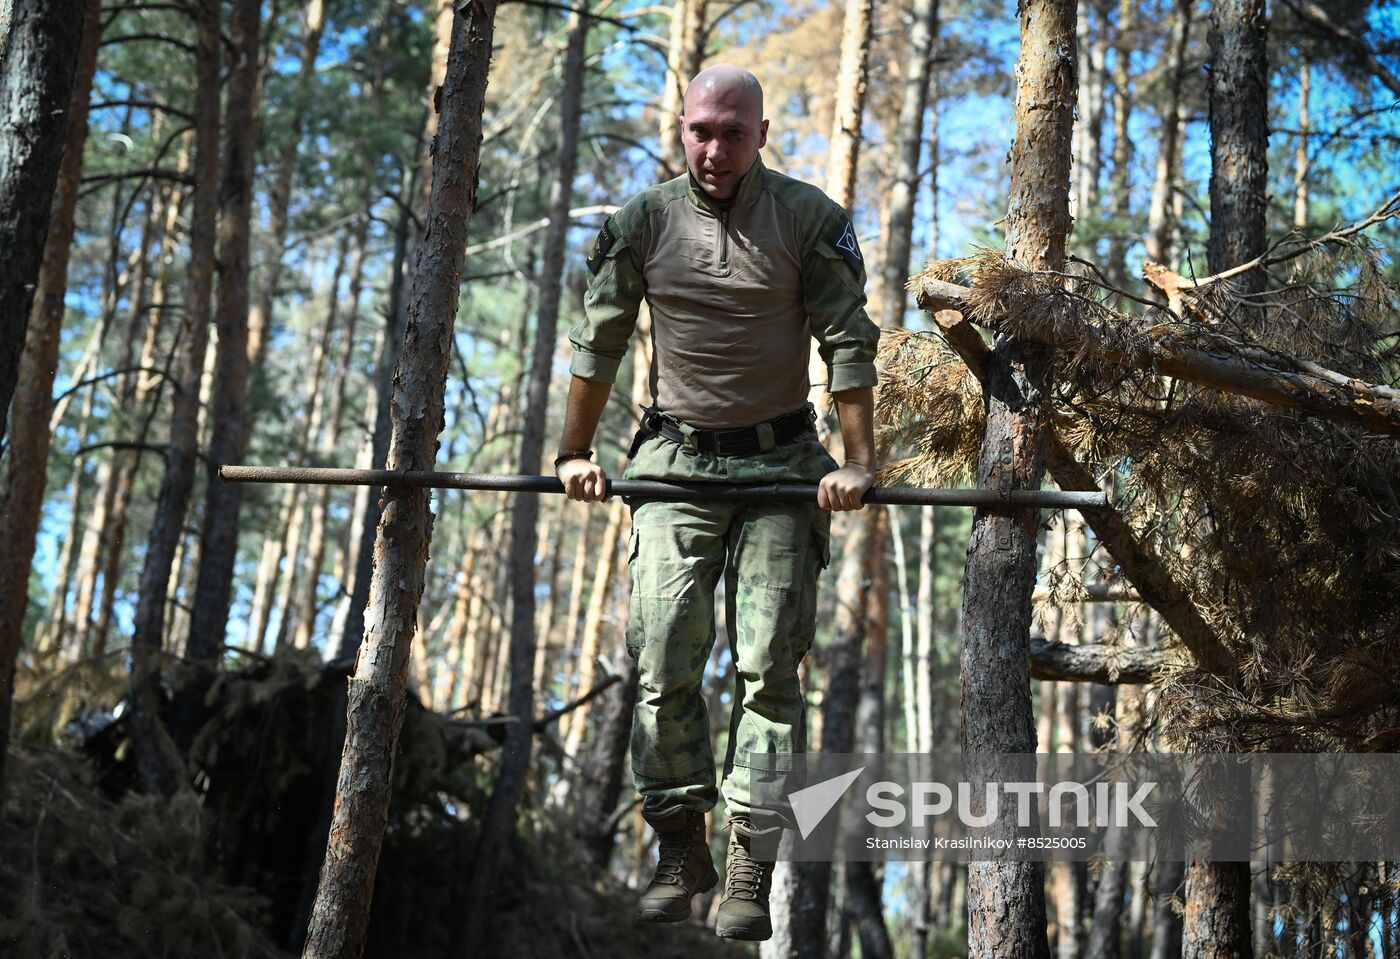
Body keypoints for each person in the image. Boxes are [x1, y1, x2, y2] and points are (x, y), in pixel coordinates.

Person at [554, 63, 879, 941]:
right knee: (662, 652)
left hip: (780, 467)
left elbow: (848, 338)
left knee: (769, 660)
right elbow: (599, 340)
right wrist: (574, 452)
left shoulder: (809, 218)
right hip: (675, 462)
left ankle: (748, 859)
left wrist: (857, 462)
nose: (715, 146)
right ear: (683, 130)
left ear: (762, 136)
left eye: (734, 131)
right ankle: (678, 843)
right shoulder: (642, 223)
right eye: (702, 129)